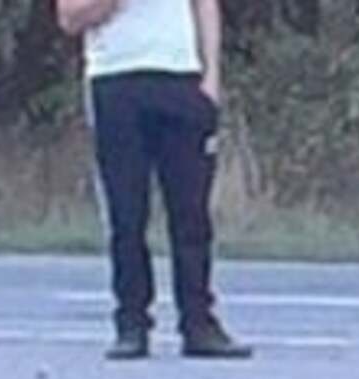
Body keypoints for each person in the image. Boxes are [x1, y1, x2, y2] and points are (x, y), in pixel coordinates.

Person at [57, 0, 251, 360]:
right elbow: (70, 18)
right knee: (127, 214)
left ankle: (199, 323)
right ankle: (131, 324)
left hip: (180, 77)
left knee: (191, 212)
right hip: (116, 80)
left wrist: (210, 78)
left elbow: (205, 6)